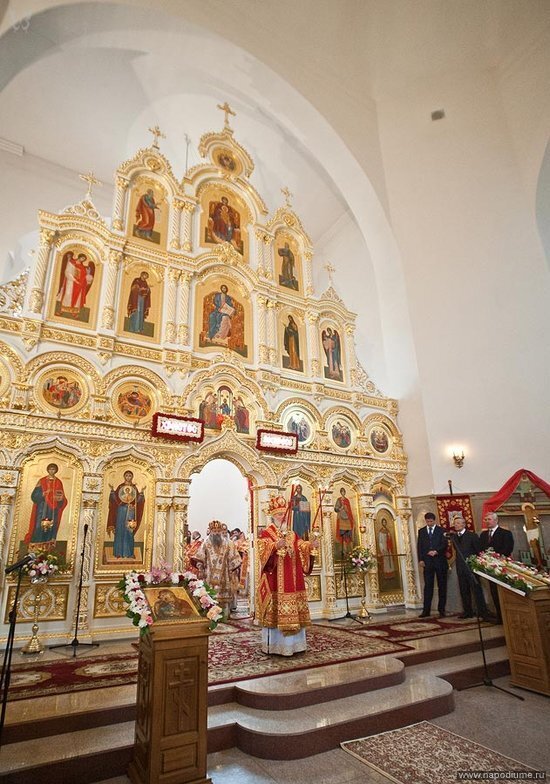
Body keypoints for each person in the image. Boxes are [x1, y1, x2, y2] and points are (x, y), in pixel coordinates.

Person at [257, 498, 314, 655]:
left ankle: (296, 646)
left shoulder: (291, 533)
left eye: (284, 514)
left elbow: (301, 546)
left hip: (293, 580)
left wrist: (310, 546)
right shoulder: (267, 533)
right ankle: (276, 646)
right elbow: (262, 555)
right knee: (275, 613)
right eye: (279, 514)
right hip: (274, 580)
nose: (282, 517)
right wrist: (275, 546)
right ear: (273, 516)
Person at [192, 520, 241, 617]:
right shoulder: (206, 543)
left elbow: (234, 559)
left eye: (218, 531)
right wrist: (200, 569)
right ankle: (211, 615)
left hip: (224, 576)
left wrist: (233, 570)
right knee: (210, 597)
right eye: (214, 531)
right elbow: (200, 557)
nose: (216, 533)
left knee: (224, 599)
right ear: (210, 531)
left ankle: (225, 615)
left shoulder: (228, 543)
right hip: (209, 575)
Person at [450, 515, 491, 620]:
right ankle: (467, 611)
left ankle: (482, 612)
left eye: (458, 523)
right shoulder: (454, 537)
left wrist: (477, 564)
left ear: (464, 524)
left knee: (476, 589)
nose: (456, 525)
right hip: (460, 567)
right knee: (464, 589)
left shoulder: (472, 536)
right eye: (455, 523)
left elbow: (478, 550)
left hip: (471, 566)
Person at [479, 511, 514, 622]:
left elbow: (508, 548)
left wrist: (497, 559)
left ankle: (506, 616)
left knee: (502, 592)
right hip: (489, 568)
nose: (487, 522)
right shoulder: (483, 535)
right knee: (494, 592)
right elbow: (481, 549)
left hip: (501, 567)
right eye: (486, 520)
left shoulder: (505, 533)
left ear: (496, 520)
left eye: (489, 519)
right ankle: (499, 615)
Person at [24, 463, 67, 546]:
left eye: (53, 469)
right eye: (50, 469)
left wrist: (60, 499)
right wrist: (43, 494)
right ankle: (36, 543)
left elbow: (62, 497)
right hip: (42, 506)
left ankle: (49, 543)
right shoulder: (42, 481)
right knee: (38, 524)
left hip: (53, 509)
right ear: (48, 470)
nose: (52, 471)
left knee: (51, 525)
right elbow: (34, 496)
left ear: (56, 471)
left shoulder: (58, 482)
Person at [107, 470, 145, 559]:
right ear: (124, 476)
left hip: (130, 511)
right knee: (120, 530)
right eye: (127, 475)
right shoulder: (120, 487)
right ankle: (118, 553)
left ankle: (129, 553)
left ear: (132, 477)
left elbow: (138, 501)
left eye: (130, 476)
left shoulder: (134, 488)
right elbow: (115, 499)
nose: (128, 477)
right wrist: (112, 491)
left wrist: (142, 493)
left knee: (129, 530)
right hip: (121, 511)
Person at [417, 512, 448, 618]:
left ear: (434, 520)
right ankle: (426, 610)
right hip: (427, 562)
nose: (429, 523)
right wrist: (421, 559)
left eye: (431, 521)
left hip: (440, 561)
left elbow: (444, 544)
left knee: (442, 586)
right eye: (427, 521)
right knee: (428, 586)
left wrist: (436, 551)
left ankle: (441, 609)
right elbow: (420, 546)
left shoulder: (441, 530)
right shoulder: (421, 531)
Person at [56, 251, 94, 318]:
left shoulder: (82, 267)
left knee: (77, 298)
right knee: (68, 295)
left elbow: (84, 276)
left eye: (84, 259)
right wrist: (75, 280)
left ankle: (74, 312)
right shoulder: (71, 263)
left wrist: (88, 274)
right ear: (79, 257)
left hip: (79, 285)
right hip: (70, 283)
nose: (82, 260)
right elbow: (67, 272)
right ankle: (62, 310)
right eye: (82, 258)